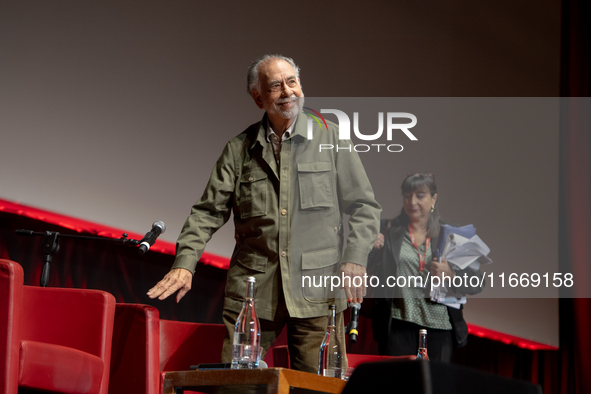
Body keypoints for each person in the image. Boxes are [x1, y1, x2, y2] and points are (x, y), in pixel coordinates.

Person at [147, 54, 381, 373]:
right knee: (236, 386)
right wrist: (185, 264)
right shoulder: (238, 149)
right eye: (275, 85)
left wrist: (355, 259)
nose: (287, 91)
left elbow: (364, 206)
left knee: (317, 389)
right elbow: (206, 213)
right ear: (258, 98)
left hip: (318, 289)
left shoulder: (332, 138)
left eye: (292, 82)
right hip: (254, 292)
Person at [370, 172, 483, 362]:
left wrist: (452, 275)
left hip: (440, 329)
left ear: (434, 199)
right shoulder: (387, 230)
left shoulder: (453, 234)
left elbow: (477, 282)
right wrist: (371, 250)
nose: (412, 201)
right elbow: (367, 271)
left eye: (419, 195)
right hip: (398, 325)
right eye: (407, 196)